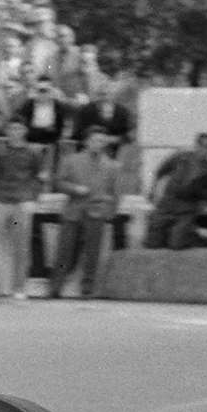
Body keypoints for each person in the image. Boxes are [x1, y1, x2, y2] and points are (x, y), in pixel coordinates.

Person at [48, 127, 133, 298]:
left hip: (97, 212)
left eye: (101, 141)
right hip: (73, 210)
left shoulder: (112, 166)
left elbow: (116, 193)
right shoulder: (70, 160)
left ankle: (87, 288)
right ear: (87, 141)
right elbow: (58, 182)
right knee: (64, 250)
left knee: (92, 253)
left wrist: (109, 212)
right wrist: (74, 189)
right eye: (94, 140)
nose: (98, 144)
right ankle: (55, 287)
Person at [0, 116, 44, 298]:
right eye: (11, 129)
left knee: (22, 247)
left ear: (24, 131)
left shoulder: (34, 153)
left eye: (18, 129)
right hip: (2, 201)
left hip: (22, 202)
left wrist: (33, 199)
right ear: (7, 131)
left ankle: (20, 288)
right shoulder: (0, 153)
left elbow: (38, 178)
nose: (15, 133)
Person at [145, 131, 207, 249]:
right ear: (197, 145)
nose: (205, 150)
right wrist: (152, 191)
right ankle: (172, 232)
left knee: (176, 245)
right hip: (166, 205)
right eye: (203, 145)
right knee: (152, 243)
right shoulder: (180, 157)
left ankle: (199, 237)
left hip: (186, 210)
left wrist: (197, 210)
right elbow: (160, 172)